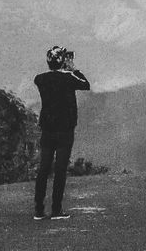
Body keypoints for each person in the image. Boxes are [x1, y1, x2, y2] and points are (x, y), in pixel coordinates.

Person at [33, 45, 91, 220]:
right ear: (62, 60)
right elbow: (85, 84)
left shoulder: (40, 79)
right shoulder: (69, 78)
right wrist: (73, 68)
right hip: (65, 129)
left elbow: (47, 78)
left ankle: (39, 210)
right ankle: (56, 209)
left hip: (47, 129)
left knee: (44, 168)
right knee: (60, 169)